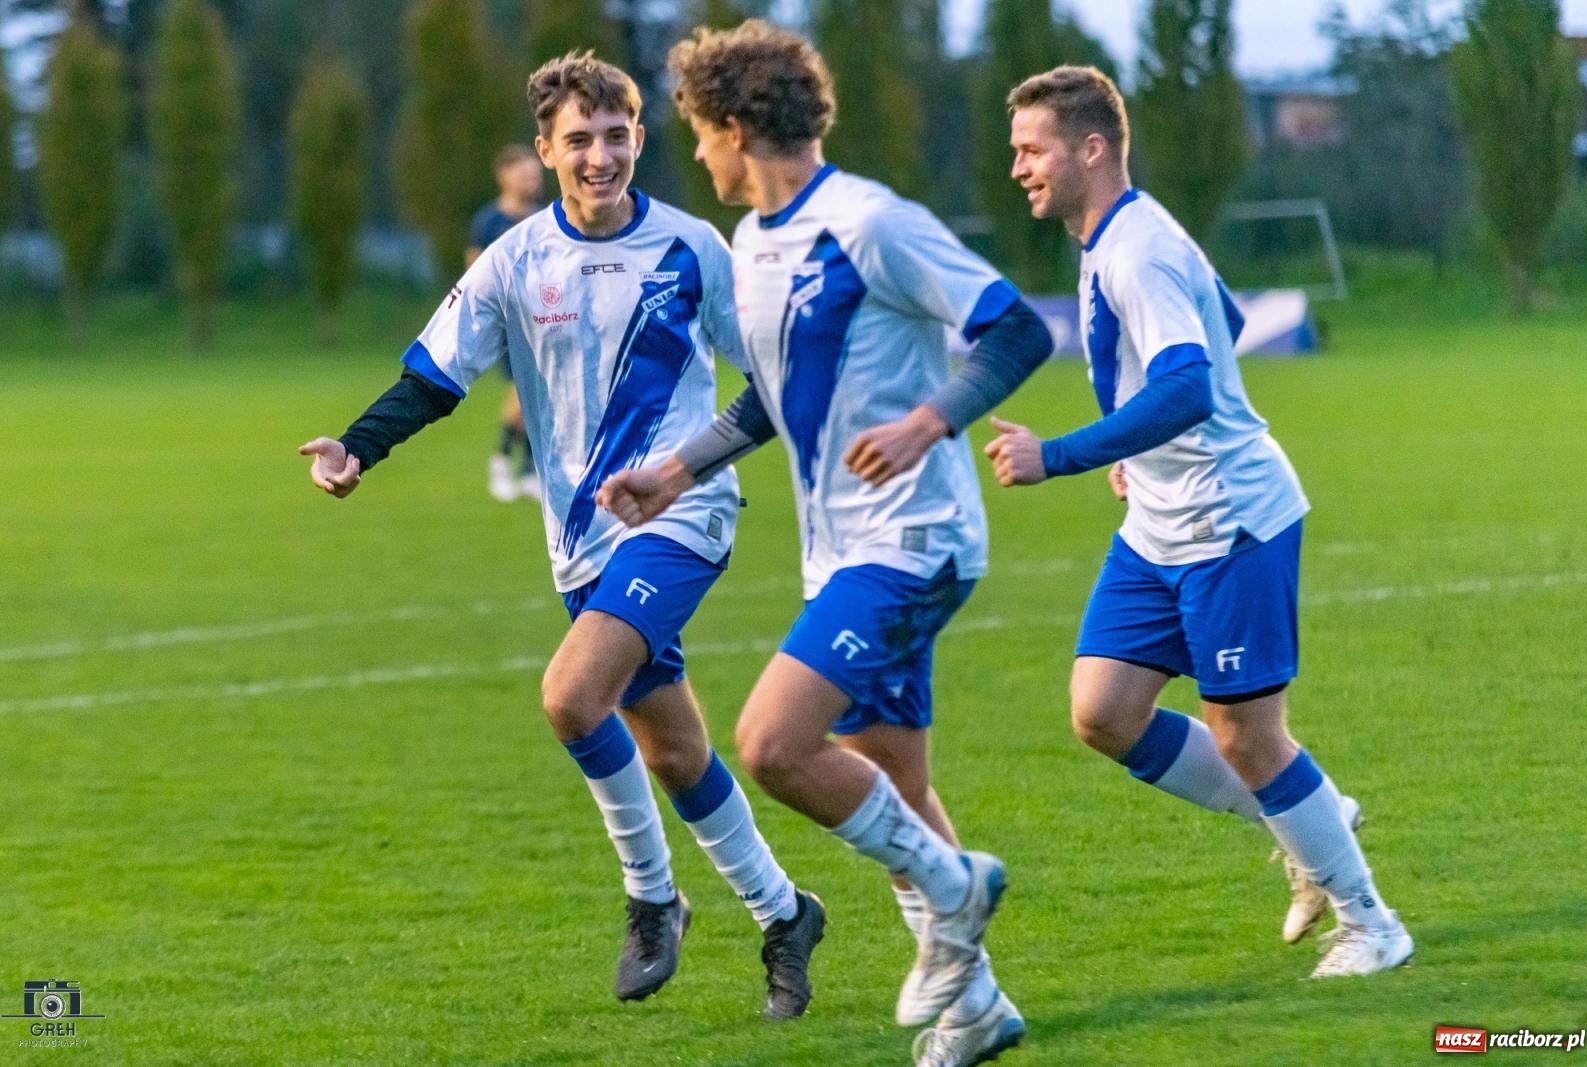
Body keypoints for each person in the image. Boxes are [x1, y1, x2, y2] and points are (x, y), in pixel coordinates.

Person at [299, 51, 826, 1019]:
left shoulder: (695, 250)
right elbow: (434, 376)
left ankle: (652, 897)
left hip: (681, 516)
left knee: (572, 696)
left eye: (617, 134)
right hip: (579, 537)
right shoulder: (512, 260)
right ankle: (785, 912)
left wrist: (691, 466)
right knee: (672, 751)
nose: (600, 155)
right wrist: (357, 448)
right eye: (578, 139)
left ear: (638, 139)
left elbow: (772, 381)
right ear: (543, 151)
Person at [598, 21, 1053, 1066]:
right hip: (839, 549)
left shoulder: (872, 222)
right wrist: (677, 469)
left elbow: (1015, 328)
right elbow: (774, 392)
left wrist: (929, 419)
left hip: (915, 540)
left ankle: (957, 883)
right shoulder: (755, 244)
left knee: (772, 743)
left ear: (733, 124)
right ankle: (976, 1006)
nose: (696, 157)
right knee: (889, 782)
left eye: (697, 135)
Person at [986, 64, 1412, 978]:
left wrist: (1063, 453)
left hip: (1230, 523)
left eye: (1032, 149)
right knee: (1103, 711)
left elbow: (1188, 382)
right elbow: (1222, 316)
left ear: (1090, 148)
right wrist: (1140, 458)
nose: (1017, 166)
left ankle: (1372, 921)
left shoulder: (1135, 248)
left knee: (1247, 735)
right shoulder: (1112, 234)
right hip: (1160, 521)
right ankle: (1312, 814)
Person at [469, 144, 544, 503]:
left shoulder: (546, 218)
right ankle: (502, 460)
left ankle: (528, 469)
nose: (533, 179)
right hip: (507, 323)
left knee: (537, 396)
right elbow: (474, 273)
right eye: (526, 173)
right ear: (505, 176)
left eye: (536, 173)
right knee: (522, 392)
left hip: (545, 322)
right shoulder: (489, 222)